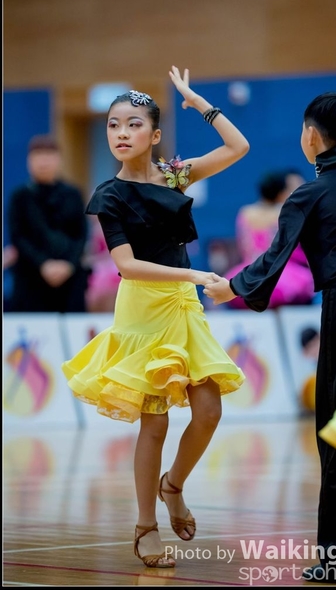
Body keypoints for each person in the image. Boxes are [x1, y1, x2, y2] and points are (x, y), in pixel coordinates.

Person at [204, 91, 336, 583]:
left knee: (335, 432)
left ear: (311, 136)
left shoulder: (309, 195)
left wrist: (232, 288)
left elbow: (275, 257)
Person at [61, 65, 249, 569]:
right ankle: (145, 525)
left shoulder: (174, 175)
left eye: (133, 124)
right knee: (155, 421)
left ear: (155, 134)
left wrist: (197, 102)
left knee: (209, 412)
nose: (121, 133)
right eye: (113, 125)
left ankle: (174, 486)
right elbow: (126, 265)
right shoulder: (109, 196)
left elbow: (238, 147)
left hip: (182, 308)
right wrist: (193, 275)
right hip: (143, 310)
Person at [7, 134, 90, 313]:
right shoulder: (19, 197)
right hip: (31, 280)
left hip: (70, 280)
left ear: (59, 159)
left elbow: (81, 234)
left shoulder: (73, 194)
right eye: (37, 156)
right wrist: (43, 264)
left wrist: (68, 264)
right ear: (29, 161)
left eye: (49, 155)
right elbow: (18, 237)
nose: (43, 162)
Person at [224, 168, 316, 309]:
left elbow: (243, 245)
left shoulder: (246, 212)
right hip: (283, 275)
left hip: (249, 273)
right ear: (281, 192)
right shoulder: (284, 211)